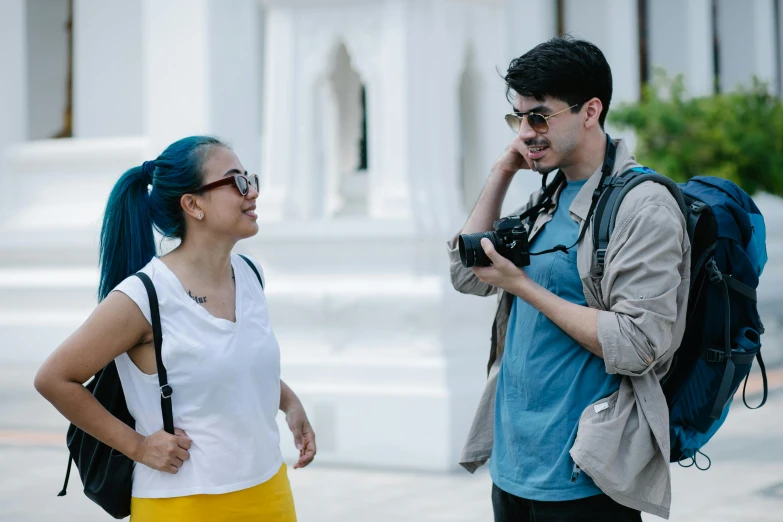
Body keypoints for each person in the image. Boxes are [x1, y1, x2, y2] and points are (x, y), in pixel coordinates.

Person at [448, 37, 690, 521]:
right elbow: (466, 274)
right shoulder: (547, 199)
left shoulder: (643, 207)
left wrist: (523, 287)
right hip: (513, 467)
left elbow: (641, 341)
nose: (525, 131)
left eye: (539, 116)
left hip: (584, 477)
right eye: (517, 118)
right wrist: (502, 171)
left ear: (590, 111)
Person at [34, 136, 314, 521]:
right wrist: (138, 447)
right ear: (193, 204)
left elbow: (233, 361)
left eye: (250, 178)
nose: (252, 193)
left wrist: (289, 402)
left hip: (269, 492)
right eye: (236, 181)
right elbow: (53, 378)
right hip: (184, 505)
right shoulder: (143, 297)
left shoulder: (250, 275)